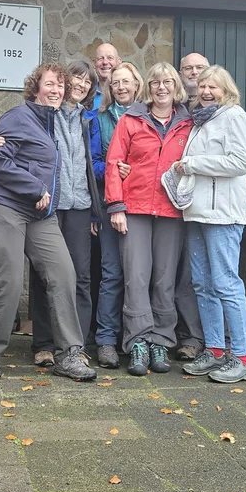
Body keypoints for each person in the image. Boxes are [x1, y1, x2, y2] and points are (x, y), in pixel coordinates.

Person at [0, 63, 96, 382]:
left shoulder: (55, 123)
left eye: (60, 86)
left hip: (40, 214)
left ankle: (69, 354)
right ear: (35, 87)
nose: (55, 90)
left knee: (64, 274)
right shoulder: (18, 117)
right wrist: (35, 187)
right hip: (5, 206)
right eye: (49, 84)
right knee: (10, 279)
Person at [105, 62, 193, 376]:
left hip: (173, 212)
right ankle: (138, 341)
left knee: (165, 280)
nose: (161, 87)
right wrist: (116, 205)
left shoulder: (190, 123)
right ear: (148, 87)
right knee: (137, 278)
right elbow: (114, 162)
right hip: (135, 209)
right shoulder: (130, 120)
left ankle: (161, 341)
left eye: (168, 81)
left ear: (176, 86)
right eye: (155, 82)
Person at [173, 66, 246, 383]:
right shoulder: (200, 120)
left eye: (214, 87)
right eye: (203, 86)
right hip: (195, 213)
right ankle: (216, 351)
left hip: (222, 214)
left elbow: (239, 163)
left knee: (226, 285)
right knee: (203, 286)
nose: (207, 91)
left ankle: (243, 357)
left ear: (227, 90)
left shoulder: (234, 116)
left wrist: (192, 164)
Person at [93, 62, 145, 368]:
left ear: (137, 84)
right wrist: (113, 168)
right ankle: (106, 340)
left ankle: (136, 337)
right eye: (116, 83)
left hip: (142, 207)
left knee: (139, 276)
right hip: (110, 204)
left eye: (126, 82)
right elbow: (95, 162)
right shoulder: (100, 121)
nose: (121, 87)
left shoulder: (149, 117)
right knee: (112, 274)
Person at [173, 52, 210, 361]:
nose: (194, 73)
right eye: (188, 68)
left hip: (206, 203)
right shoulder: (175, 108)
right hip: (172, 202)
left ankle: (194, 338)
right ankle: (172, 334)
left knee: (194, 274)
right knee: (170, 274)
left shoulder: (220, 110)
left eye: (199, 68)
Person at [91, 42, 120, 109]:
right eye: (100, 58)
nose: (105, 62)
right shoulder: (87, 94)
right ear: (94, 63)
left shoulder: (124, 93)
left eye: (110, 58)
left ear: (119, 62)